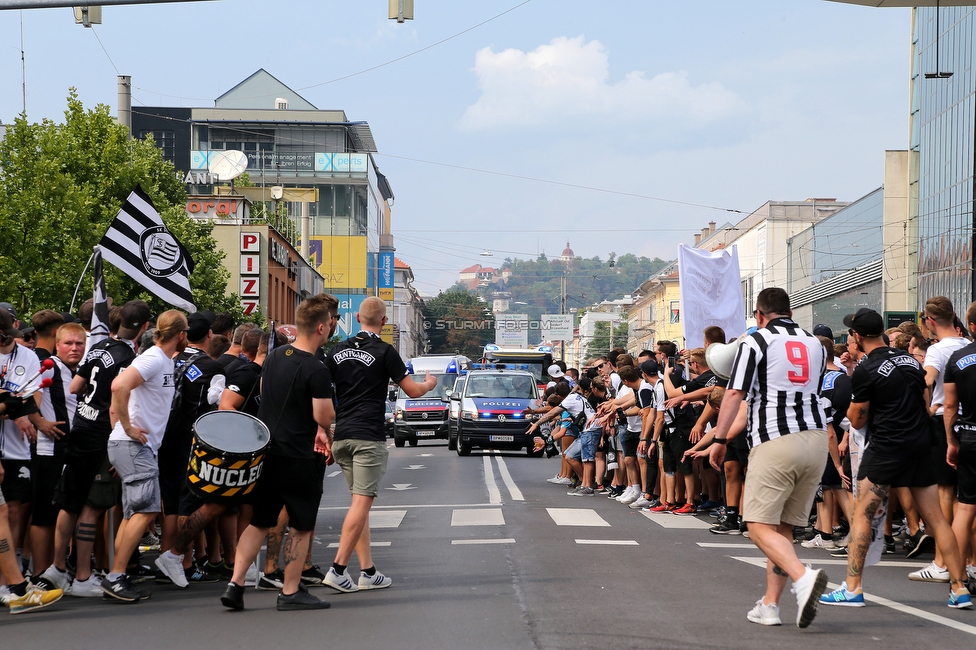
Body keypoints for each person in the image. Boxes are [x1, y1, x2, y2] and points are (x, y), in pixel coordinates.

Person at [821, 307, 971, 609]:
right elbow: (925, 401)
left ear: (858, 336)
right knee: (937, 518)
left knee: (862, 513)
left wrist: (855, 406)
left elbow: (858, 420)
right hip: (920, 443)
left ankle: (852, 588)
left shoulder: (866, 370)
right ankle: (959, 588)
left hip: (888, 445)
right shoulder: (911, 362)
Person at [707, 287, 829, 628]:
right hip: (816, 439)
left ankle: (803, 578)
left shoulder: (756, 341)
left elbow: (735, 392)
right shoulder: (814, 343)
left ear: (760, 315)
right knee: (783, 529)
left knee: (758, 526)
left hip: (776, 438)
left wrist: (719, 438)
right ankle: (770, 604)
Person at [221, 294, 339, 611]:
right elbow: (324, 416)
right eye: (330, 323)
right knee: (300, 525)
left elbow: (263, 395)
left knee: (259, 522)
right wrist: (324, 427)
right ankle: (290, 591)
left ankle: (236, 585)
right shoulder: (316, 368)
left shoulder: (274, 357)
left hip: (268, 452)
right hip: (300, 456)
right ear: (320, 327)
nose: (331, 327)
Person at [321, 296, 435, 593]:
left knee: (359, 505)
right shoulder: (385, 351)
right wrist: (429, 384)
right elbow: (412, 391)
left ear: (357, 316)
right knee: (361, 503)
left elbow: (321, 387)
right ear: (384, 322)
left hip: (342, 434)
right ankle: (338, 568)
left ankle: (368, 570)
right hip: (368, 435)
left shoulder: (336, 350)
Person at [38, 300, 150, 596]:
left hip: (80, 428)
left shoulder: (98, 347)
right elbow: (117, 402)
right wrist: (120, 439)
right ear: (145, 327)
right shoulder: (129, 356)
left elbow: (75, 387)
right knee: (92, 506)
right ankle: (84, 578)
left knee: (69, 501)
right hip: (102, 433)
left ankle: (58, 567)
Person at [102, 310, 186, 602]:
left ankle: (117, 574)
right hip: (134, 445)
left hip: (135, 446)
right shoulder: (153, 358)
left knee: (134, 513)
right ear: (181, 334)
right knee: (146, 510)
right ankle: (115, 576)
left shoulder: (160, 359)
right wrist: (126, 428)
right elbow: (118, 386)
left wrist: (121, 432)